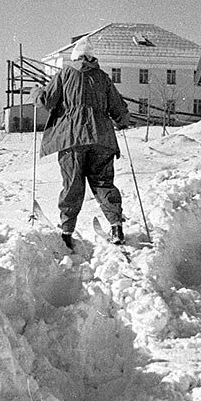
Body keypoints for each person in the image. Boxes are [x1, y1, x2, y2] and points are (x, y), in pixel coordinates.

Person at [34, 36, 131, 250]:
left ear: (76, 57)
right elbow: (118, 108)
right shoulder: (104, 77)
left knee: (73, 185)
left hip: (73, 139)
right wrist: (122, 121)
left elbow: (46, 102)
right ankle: (116, 226)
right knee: (103, 183)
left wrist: (36, 92)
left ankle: (67, 231)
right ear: (92, 57)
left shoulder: (65, 74)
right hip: (101, 139)